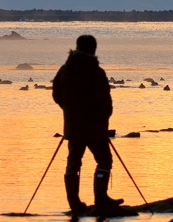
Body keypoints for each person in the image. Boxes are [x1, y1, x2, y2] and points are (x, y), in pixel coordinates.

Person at [52, 34, 124, 214]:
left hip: (73, 126)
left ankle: (73, 202)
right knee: (104, 160)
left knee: (74, 162)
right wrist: (104, 120)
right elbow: (106, 101)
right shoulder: (96, 72)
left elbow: (56, 95)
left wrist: (68, 110)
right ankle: (100, 197)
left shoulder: (65, 69)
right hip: (94, 127)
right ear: (93, 50)